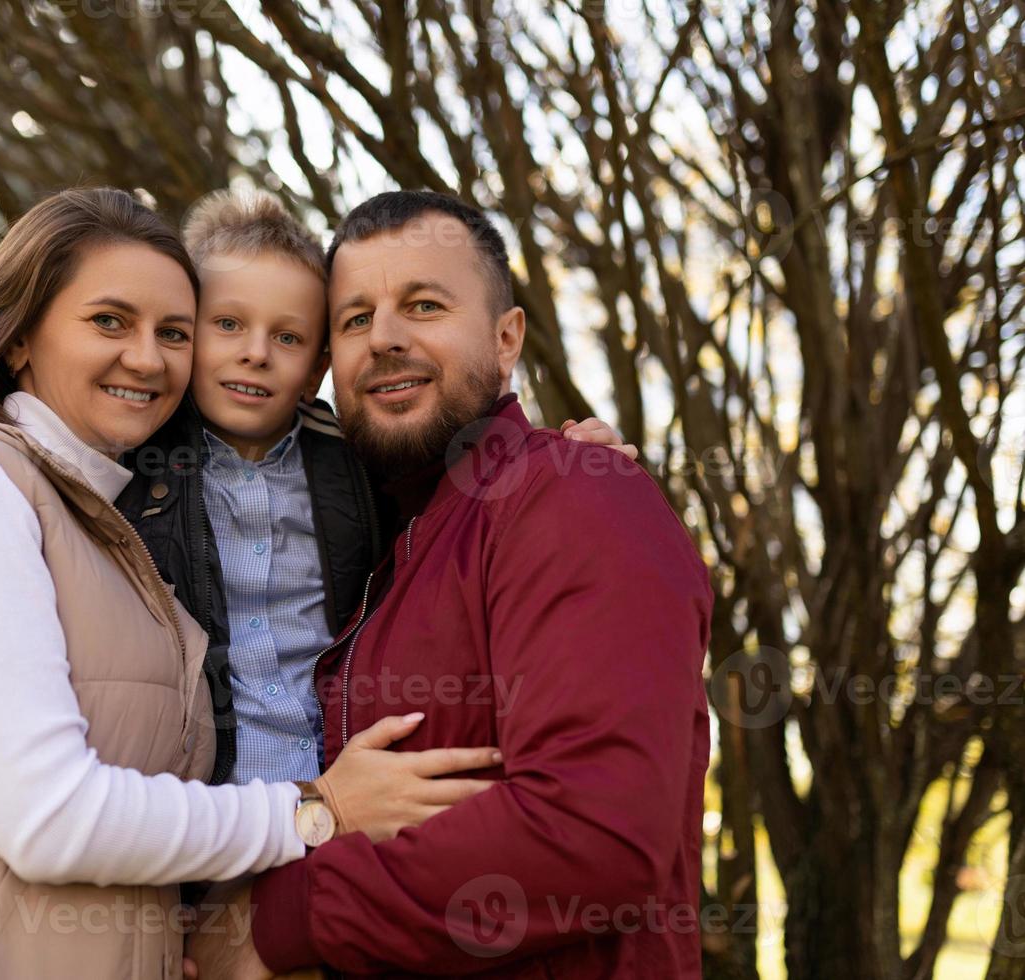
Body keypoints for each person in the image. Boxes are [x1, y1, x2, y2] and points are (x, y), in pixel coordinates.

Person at [0, 187, 504, 979]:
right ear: (20, 337)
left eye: (169, 333)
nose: (150, 358)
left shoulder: (326, 463)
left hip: (273, 848)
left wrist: (554, 458)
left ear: (317, 363)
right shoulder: (72, 468)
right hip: (45, 896)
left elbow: (452, 482)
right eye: (112, 321)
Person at [0, 191, 632, 794]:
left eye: (287, 336)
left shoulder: (348, 460)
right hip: (192, 798)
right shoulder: (135, 454)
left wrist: (563, 447)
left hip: (331, 789)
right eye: (223, 326)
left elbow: (450, 458)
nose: (251, 353)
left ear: (319, 361)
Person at [187, 191, 714, 978]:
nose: (386, 339)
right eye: (355, 318)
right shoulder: (381, 540)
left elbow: (597, 828)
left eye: (423, 305)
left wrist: (282, 920)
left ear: (508, 339)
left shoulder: (570, 495)